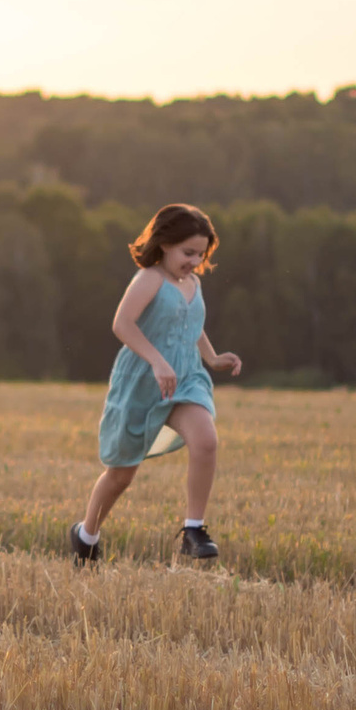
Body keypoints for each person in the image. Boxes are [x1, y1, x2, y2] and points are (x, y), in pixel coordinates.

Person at [71, 204, 243, 562]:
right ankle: (86, 535)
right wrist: (157, 361)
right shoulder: (149, 279)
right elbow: (122, 324)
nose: (194, 261)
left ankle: (193, 529)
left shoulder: (192, 283)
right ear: (165, 244)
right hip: (142, 381)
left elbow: (190, 326)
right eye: (188, 252)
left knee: (206, 440)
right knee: (121, 476)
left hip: (185, 379)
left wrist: (212, 358)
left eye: (200, 254)